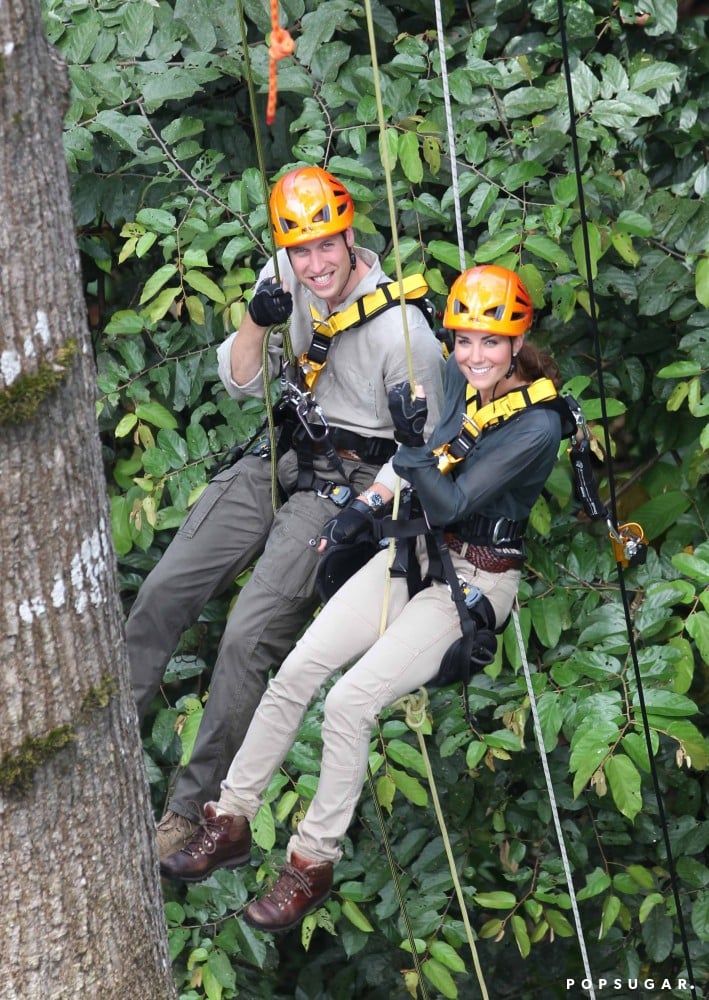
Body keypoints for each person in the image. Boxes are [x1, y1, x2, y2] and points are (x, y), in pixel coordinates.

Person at [159, 264, 572, 932]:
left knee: (350, 704)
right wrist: (367, 506)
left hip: (469, 581)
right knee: (294, 672)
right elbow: (414, 475)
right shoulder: (450, 376)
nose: (472, 356)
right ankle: (228, 818)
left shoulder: (536, 428)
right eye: (463, 340)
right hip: (409, 556)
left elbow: (453, 497)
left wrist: (408, 450)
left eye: (490, 343)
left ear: (517, 339)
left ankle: (309, 864)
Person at [126, 165, 445, 859]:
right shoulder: (285, 278)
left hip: (351, 480)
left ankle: (190, 811)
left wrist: (366, 509)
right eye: (301, 251)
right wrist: (255, 317)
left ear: (349, 236)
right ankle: (107, 746)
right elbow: (241, 382)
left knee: (246, 638)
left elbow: (431, 450)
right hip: (281, 453)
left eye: (325, 246)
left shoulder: (405, 332)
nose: (314, 264)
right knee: (162, 590)